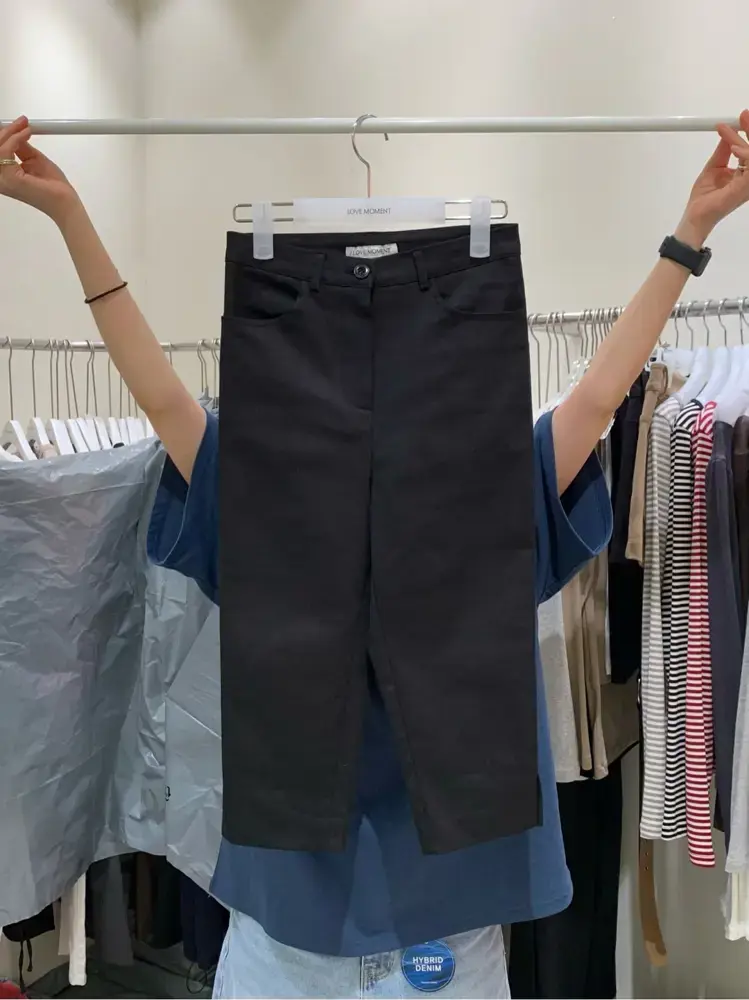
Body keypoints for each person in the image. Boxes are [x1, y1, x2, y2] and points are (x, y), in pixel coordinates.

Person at [1, 112, 748, 999]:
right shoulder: (266, 497)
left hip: (441, 945)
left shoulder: (483, 499)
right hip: (288, 944)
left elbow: (597, 397)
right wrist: (68, 217)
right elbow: (161, 397)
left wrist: (690, 233)